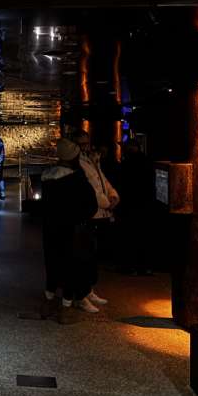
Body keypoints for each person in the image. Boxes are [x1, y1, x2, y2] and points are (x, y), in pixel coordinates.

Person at [38, 138, 100, 323]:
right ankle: (65, 309)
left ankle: (48, 302)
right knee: (70, 266)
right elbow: (91, 205)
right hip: (72, 229)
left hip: (51, 228)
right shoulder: (76, 179)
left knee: (52, 263)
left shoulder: (47, 177)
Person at [73, 130, 116, 310]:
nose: (86, 147)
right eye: (82, 144)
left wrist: (113, 196)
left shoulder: (91, 160)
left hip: (100, 212)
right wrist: (107, 203)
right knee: (84, 255)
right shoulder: (80, 164)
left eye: (87, 143)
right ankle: (81, 294)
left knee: (92, 254)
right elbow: (92, 189)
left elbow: (102, 181)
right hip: (90, 213)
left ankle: (88, 290)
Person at [115, 139, 156, 274]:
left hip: (129, 205)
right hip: (145, 205)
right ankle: (145, 266)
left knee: (130, 237)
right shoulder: (147, 162)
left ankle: (131, 266)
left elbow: (122, 184)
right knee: (144, 236)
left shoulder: (126, 164)